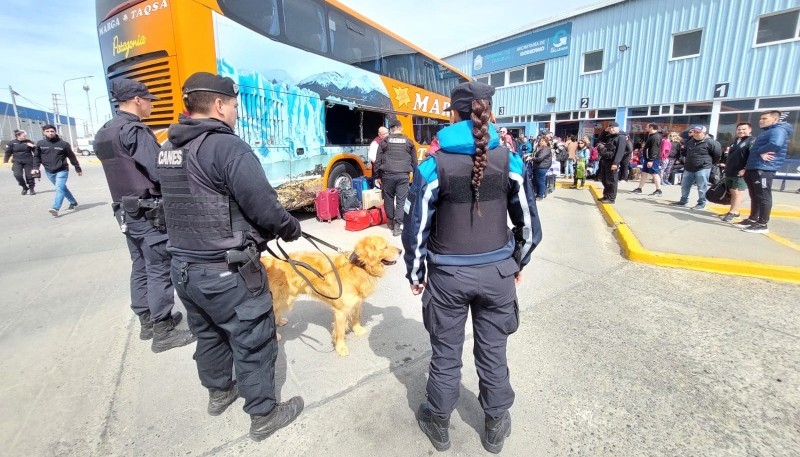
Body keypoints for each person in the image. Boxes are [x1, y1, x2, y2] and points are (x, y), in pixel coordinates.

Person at [159, 72, 304, 440]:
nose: (237, 113)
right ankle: (264, 415)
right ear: (220, 105)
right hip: (227, 272)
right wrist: (290, 228)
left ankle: (219, 392)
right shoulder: (228, 147)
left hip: (183, 269)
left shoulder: (168, 149)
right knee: (254, 339)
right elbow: (264, 207)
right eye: (236, 106)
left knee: (208, 333)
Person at [402, 81, 541, 454]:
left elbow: (416, 230)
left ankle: (439, 423)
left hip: (448, 278)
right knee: (493, 350)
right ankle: (495, 425)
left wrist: (416, 275)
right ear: (489, 113)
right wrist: (517, 261)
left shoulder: (434, 165)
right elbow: (529, 225)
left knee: (446, 352)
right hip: (497, 274)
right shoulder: (510, 161)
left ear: (454, 113)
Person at [94, 78, 196, 352]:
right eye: (149, 100)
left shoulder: (104, 132)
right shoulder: (135, 131)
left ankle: (147, 321)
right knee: (159, 266)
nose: (151, 104)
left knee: (139, 264)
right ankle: (163, 331)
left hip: (124, 210)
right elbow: (158, 169)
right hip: (148, 210)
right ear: (137, 100)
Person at [740, 111, 793, 233]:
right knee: (755, 195)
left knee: (763, 196)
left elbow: (775, 144)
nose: (761, 120)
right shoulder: (768, 131)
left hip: (764, 169)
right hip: (756, 167)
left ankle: (762, 224)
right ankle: (753, 219)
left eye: (764, 118)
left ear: (775, 120)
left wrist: (761, 151)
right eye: (761, 118)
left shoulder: (778, 130)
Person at [375, 121, 417, 236]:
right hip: (403, 176)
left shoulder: (384, 141)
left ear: (391, 129)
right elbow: (415, 162)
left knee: (388, 198)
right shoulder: (409, 142)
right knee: (401, 200)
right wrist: (415, 176)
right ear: (401, 128)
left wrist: (377, 176)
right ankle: (398, 226)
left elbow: (378, 160)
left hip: (387, 175)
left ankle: (390, 222)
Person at [34, 124, 82, 216]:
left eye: (52, 131)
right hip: (49, 171)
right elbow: (37, 157)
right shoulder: (40, 144)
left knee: (59, 188)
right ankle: (73, 203)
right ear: (44, 132)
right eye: (47, 131)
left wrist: (77, 168)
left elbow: (72, 157)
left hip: (62, 170)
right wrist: (35, 168)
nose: (50, 133)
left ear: (55, 132)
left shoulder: (63, 144)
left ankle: (55, 208)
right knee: (62, 188)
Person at [670, 125, 721, 210]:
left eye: (698, 132)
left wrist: (709, 164)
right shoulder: (690, 142)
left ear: (704, 133)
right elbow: (685, 153)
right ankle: (683, 201)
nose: (695, 134)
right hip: (689, 167)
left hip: (703, 168)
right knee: (685, 185)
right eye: (694, 132)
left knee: (702, 186)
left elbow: (717, 155)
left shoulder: (711, 143)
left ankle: (701, 203)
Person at [719, 123, 754, 222]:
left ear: (750, 130)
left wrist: (745, 168)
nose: (741, 131)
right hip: (730, 171)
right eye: (739, 129)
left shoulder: (751, 141)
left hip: (740, 172)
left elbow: (752, 157)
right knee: (733, 192)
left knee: (737, 192)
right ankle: (735, 211)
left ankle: (732, 212)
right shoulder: (735, 142)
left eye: (744, 129)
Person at [598, 122, 628, 204]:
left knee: (612, 181)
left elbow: (620, 151)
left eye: (613, 127)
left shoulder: (621, 137)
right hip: (605, 160)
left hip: (613, 162)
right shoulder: (610, 136)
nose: (611, 129)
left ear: (618, 128)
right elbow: (600, 139)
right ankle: (606, 195)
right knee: (604, 180)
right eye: (610, 128)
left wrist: (616, 163)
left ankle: (611, 198)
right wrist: (605, 131)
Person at [631, 123, 663, 196]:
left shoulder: (656, 137)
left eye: (647, 127)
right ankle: (639, 188)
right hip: (648, 158)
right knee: (644, 173)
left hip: (653, 159)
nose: (646, 128)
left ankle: (659, 190)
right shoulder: (652, 136)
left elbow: (654, 149)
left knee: (654, 173)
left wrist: (651, 160)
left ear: (651, 128)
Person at [4, 129, 39, 195]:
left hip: (28, 161)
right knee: (17, 175)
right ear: (18, 136)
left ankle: (31, 188)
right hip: (17, 161)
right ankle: (24, 187)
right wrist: (5, 161)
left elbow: (36, 152)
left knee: (29, 176)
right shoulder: (12, 143)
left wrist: (33, 146)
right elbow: (8, 152)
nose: (25, 137)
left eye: (25, 136)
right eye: (24, 136)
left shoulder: (29, 141)